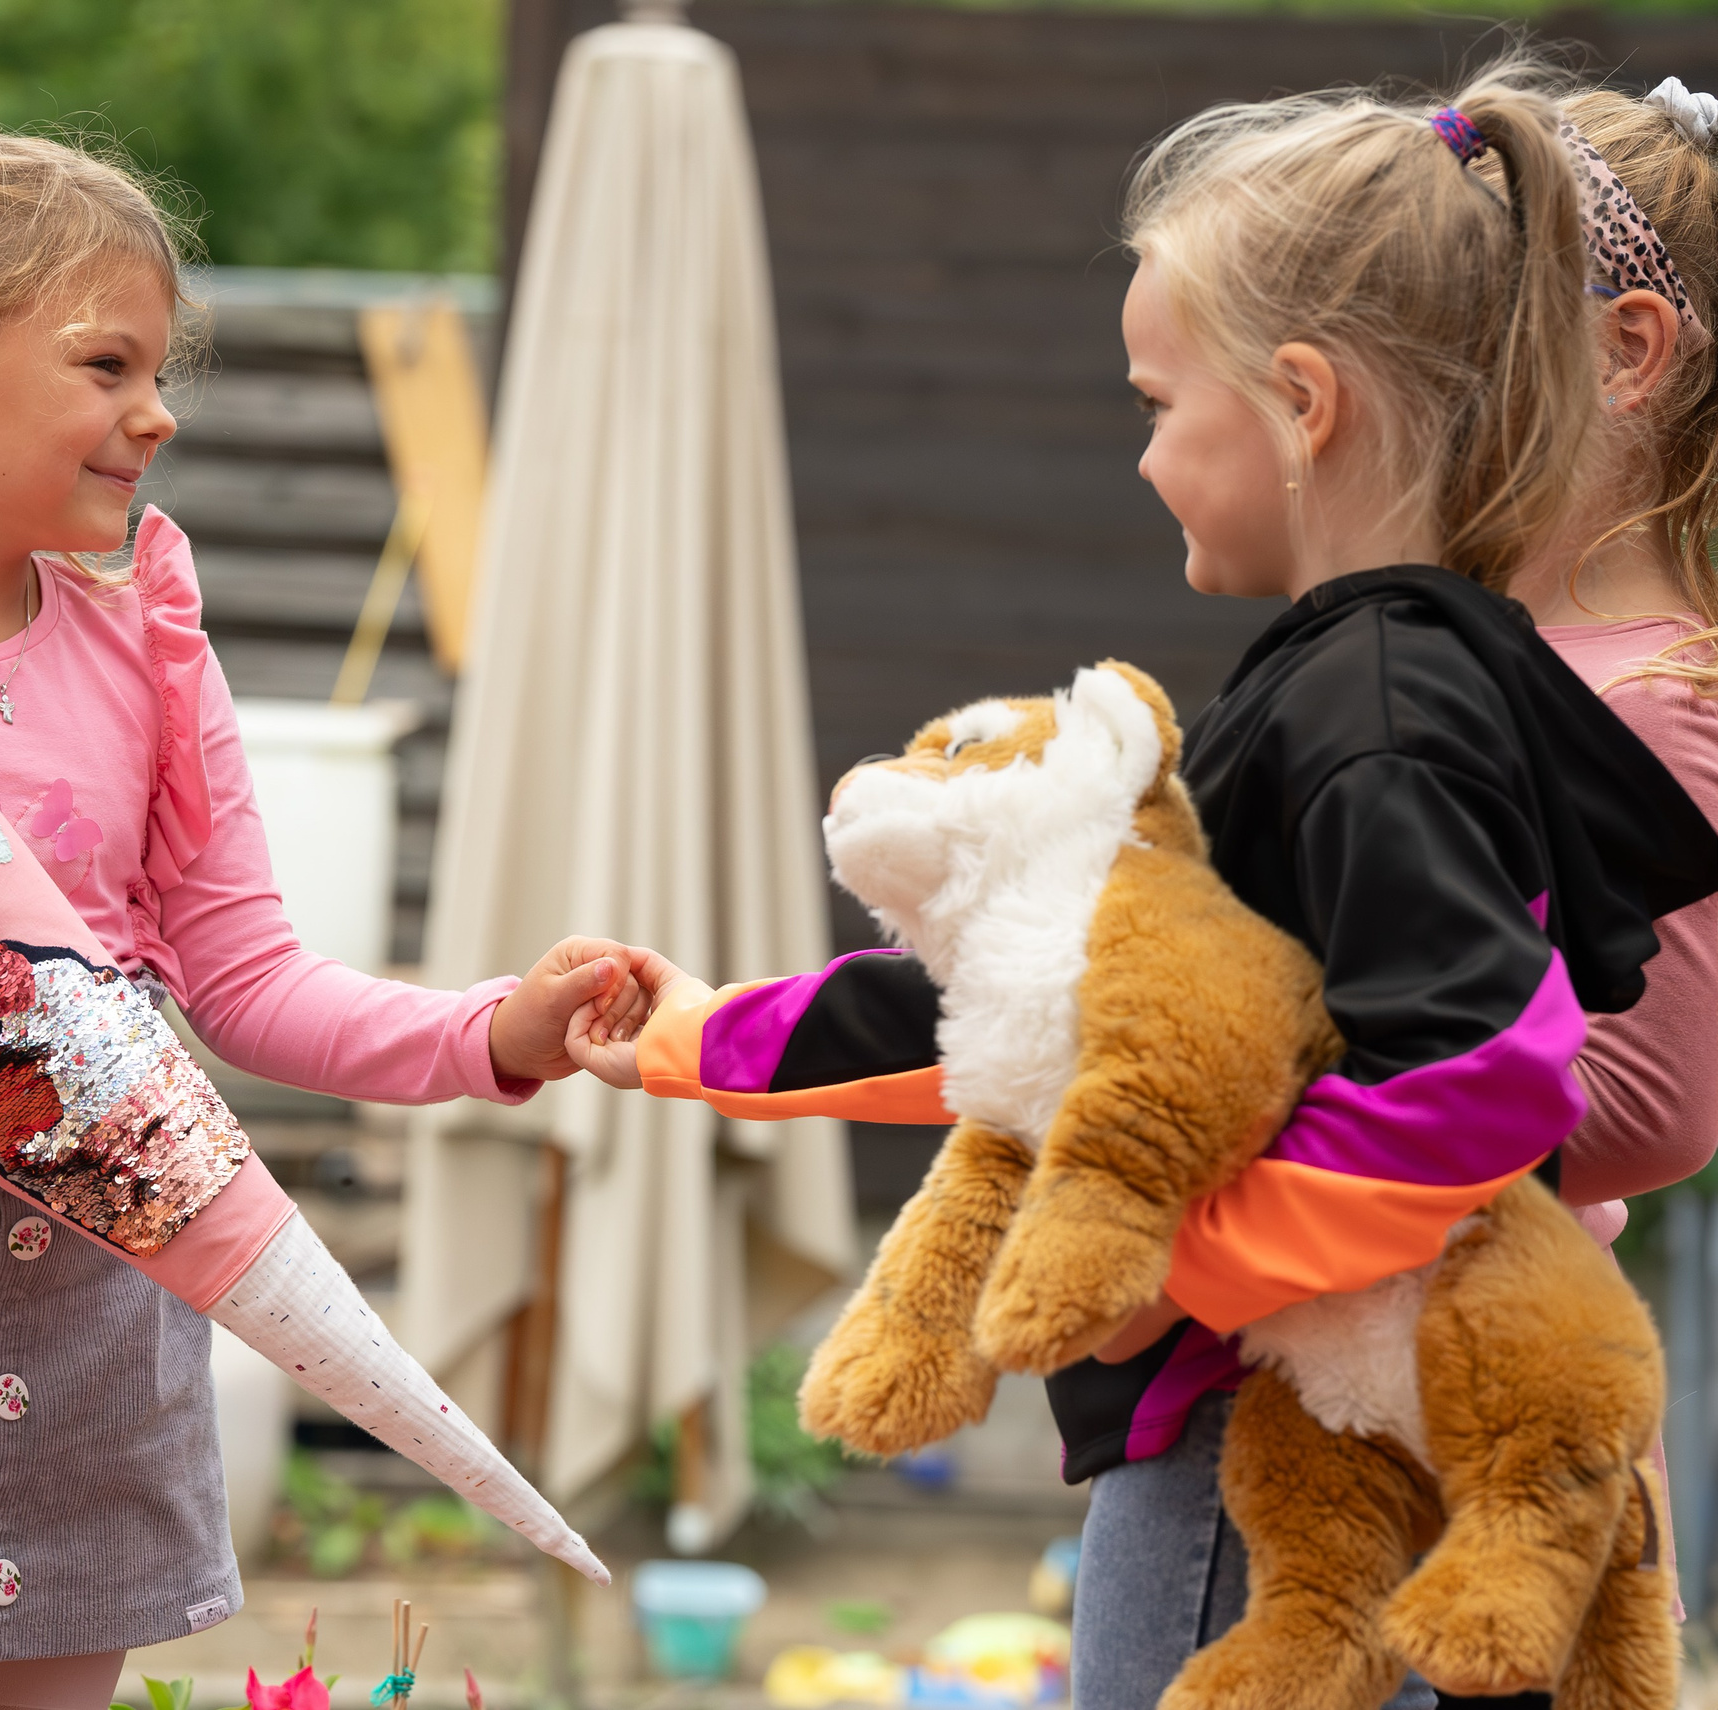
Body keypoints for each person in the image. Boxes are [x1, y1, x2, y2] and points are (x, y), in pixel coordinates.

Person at [572, 60, 1718, 1710]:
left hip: (1275, 1462)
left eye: (1158, 405)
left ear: (1306, 402)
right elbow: (1082, 1004)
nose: (1142, 455)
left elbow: (1484, 1076)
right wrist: (706, 1040)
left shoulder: (1380, 709)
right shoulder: (1399, 680)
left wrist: (1181, 1261)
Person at [0, 115, 647, 1710]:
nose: (153, 413)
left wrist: (491, 1029)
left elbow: (245, 975)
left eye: (160, 372)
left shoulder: (143, 642)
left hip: (89, 1361)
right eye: (105, 366)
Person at [1514, 79, 1718, 1254]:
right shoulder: (1481, 645)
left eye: (1457, 326)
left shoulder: (1649, 698)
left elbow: (1649, 1112)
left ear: (1623, 350)